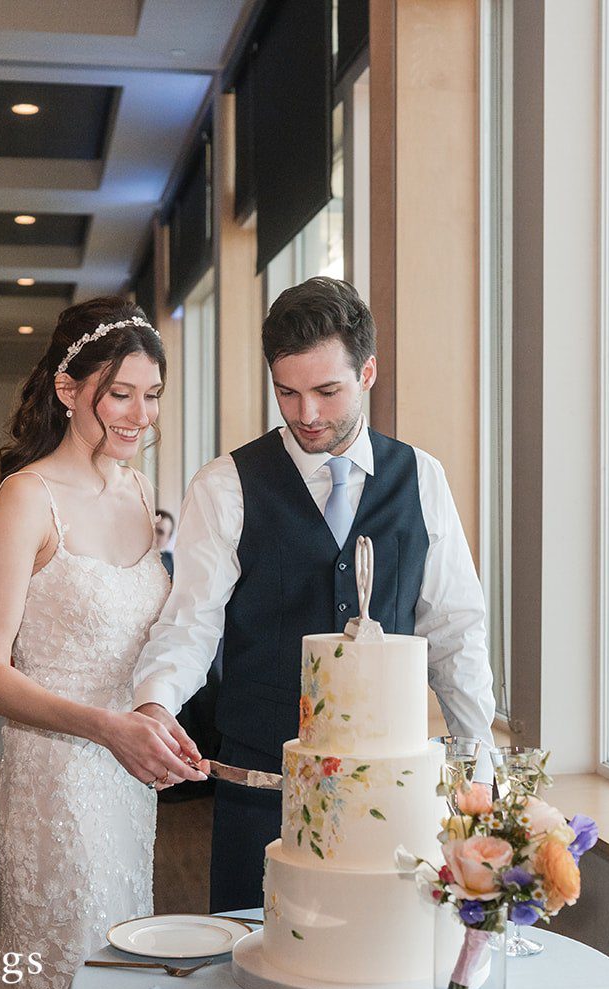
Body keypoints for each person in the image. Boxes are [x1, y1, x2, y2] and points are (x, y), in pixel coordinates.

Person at [132, 276, 498, 911]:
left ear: (369, 372)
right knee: (252, 974)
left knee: (378, 966)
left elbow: (455, 631)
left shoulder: (422, 478)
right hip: (260, 788)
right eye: (287, 392)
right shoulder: (225, 485)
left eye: (327, 391)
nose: (306, 415)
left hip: (388, 797)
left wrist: (479, 763)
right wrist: (157, 705)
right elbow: (190, 625)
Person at [0, 297, 205, 989]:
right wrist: (106, 725)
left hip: (127, 778)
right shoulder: (27, 498)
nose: (140, 413)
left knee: (118, 971)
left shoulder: (134, 488)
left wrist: (153, 717)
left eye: (152, 393)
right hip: (58, 777)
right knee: (68, 979)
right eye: (120, 392)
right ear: (68, 389)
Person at [152, 509, 176, 577]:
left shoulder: (173, 562)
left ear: (168, 539)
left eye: (160, 532)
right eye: (151, 528)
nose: (154, 534)